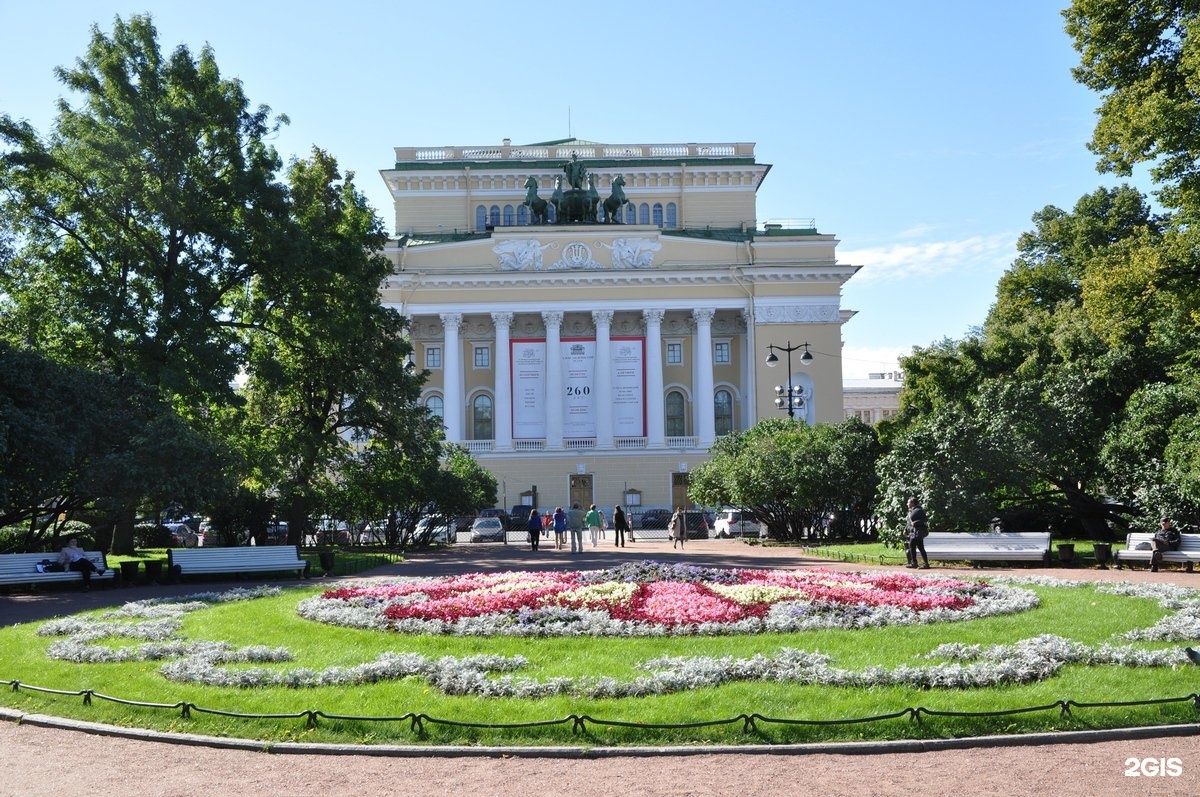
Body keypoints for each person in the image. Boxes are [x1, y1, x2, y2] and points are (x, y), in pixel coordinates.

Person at [905, 498, 929, 569]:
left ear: (912, 503)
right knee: (914, 546)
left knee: (915, 546)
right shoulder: (912, 511)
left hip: (918, 532)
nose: (907, 504)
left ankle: (918, 563)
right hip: (913, 532)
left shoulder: (919, 510)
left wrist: (916, 523)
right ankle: (916, 563)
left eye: (908, 502)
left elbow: (924, 520)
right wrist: (906, 529)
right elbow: (909, 522)